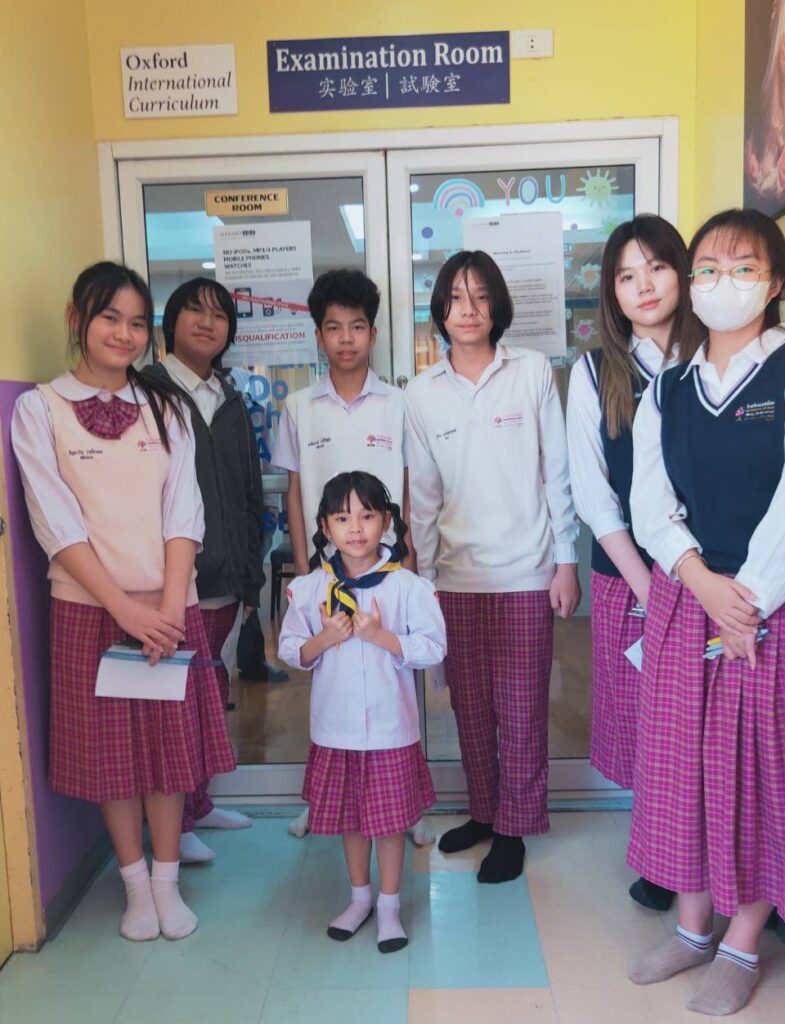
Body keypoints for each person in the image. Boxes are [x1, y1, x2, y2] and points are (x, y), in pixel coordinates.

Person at [11, 262, 235, 941]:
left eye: (137, 322)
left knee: (167, 755)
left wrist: (168, 605)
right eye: (110, 317)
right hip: (89, 608)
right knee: (112, 762)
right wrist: (122, 608)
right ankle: (135, 887)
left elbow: (184, 511)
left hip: (168, 605)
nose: (124, 333)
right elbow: (55, 524)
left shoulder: (167, 408)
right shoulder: (39, 410)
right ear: (77, 317)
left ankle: (167, 884)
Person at [628, 208, 785, 1016]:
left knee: (755, 776)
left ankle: (741, 943)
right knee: (681, 769)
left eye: (743, 267)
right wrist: (698, 580)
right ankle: (691, 930)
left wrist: (745, 598)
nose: (724, 283)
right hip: (688, 601)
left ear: (775, 283)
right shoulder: (669, 386)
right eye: (709, 268)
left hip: (766, 611)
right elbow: (648, 500)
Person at [405, 250, 581, 884]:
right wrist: (424, 583)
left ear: (497, 306)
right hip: (454, 580)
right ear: (441, 310)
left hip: (526, 574)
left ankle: (514, 827)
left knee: (523, 710)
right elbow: (423, 498)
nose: (469, 309)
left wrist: (566, 560)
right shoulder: (421, 393)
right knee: (470, 709)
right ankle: (484, 811)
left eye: (481, 296)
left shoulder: (530, 371)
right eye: (456, 297)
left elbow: (556, 472)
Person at [566, 215, 693, 911]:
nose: (643, 286)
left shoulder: (714, 360)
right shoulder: (594, 372)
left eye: (657, 267)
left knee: (719, 724)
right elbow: (593, 495)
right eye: (625, 275)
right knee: (647, 723)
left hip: (716, 580)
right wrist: (651, 591)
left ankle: (741, 876)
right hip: (632, 579)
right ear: (610, 293)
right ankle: (665, 859)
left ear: (683, 273)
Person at [278, 471, 446, 952]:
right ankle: (359, 899)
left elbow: (434, 648)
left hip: (392, 731)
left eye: (367, 516)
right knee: (351, 821)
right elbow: (290, 650)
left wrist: (381, 636)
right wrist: (325, 638)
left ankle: (390, 907)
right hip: (337, 731)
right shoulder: (310, 589)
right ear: (325, 527)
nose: (355, 528)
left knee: (390, 824)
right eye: (342, 518)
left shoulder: (408, 587)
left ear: (386, 522)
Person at [142, 277, 263, 863]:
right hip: (175, 580)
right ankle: (178, 821)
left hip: (225, 576)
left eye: (219, 315)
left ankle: (200, 802)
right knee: (176, 702)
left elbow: (247, 492)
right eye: (195, 310)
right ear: (171, 322)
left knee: (210, 691)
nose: (207, 323)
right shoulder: (148, 392)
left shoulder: (230, 398)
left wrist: (250, 575)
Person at [271, 268, 409, 574]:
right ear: (319, 337)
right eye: (334, 328)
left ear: (372, 335)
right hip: (323, 570)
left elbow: (409, 493)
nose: (346, 339)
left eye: (357, 327)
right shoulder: (298, 407)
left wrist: (409, 562)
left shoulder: (400, 404)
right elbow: (295, 494)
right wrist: (302, 568)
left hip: (388, 569)